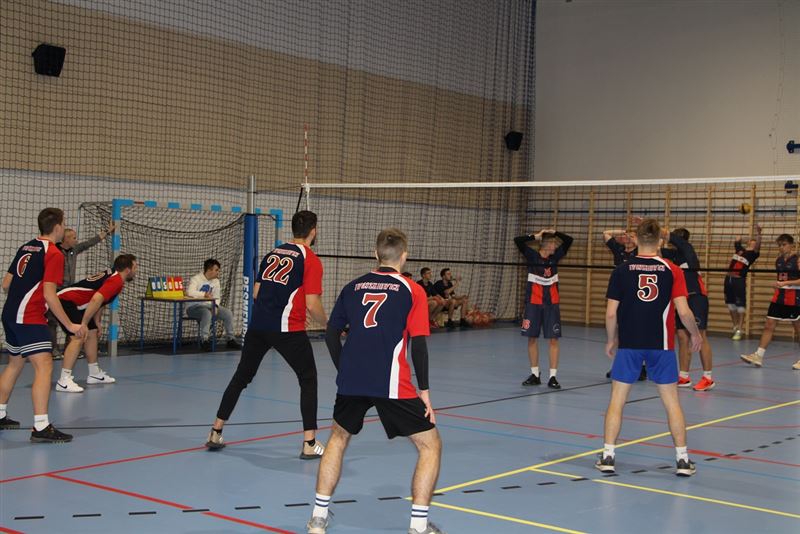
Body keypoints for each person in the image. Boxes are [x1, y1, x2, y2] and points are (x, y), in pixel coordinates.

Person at [307, 228, 443, 534]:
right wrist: (424, 392)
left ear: (375, 253)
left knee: (338, 439)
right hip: (391, 382)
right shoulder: (413, 290)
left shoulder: (352, 287)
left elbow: (331, 334)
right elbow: (419, 345)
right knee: (430, 445)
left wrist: (343, 370)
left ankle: (318, 518)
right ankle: (419, 525)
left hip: (352, 379)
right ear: (404, 256)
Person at [205, 210, 328, 458]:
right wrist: (329, 324)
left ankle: (215, 431)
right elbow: (313, 304)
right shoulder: (311, 260)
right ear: (313, 231)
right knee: (308, 379)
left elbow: (256, 292)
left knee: (241, 377)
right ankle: (309, 443)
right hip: (287, 329)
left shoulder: (273, 253)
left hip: (258, 326)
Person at [598, 218, 701, 477]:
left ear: (635, 238)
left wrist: (611, 340)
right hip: (661, 344)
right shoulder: (672, 269)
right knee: (672, 402)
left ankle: (608, 456)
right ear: (660, 241)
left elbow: (610, 313)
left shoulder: (622, 270)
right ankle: (682, 460)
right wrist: (695, 334)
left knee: (617, 400)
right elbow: (684, 311)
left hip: (630, 344)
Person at [0, 208, 86, 443]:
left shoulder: (27, 247)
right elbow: (50, 294)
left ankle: (0, 414)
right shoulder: (54, 253)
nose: (64, 228)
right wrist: (70, 325)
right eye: (64, 224)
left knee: (15, 363)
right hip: (29, 316)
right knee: (44, 365)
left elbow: (6, 284)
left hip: (10, 314)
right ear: (57, 227)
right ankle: (41, 426)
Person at [54, 254, 138, 393]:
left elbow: (101, 300)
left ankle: (94, 373)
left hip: (76, 304)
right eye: (135, 267)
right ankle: (64, 380)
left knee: (92, 332)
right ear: (127, 270)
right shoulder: (116, 280)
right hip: (65, 300)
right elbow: (96, 299)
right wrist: (84, 323)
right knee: (79, 336)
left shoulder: (114, 277)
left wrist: (97, 321)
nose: (136, 270)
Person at [47, 222, 116, 358]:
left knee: (73, 320)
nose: (76, 240)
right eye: (73, 238)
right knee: (52, 320)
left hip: (69, 290)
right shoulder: (54, 250)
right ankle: (53, 350)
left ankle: (70, 348)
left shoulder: (74, 250)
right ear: (66, 239)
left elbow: (89, 243)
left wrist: (107, 232)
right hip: (55, 290)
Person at [515, 228, 573, 389]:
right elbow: (518, 241)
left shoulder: (555, 257)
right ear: (546, 244)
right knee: (532, 338)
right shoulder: (532, 256)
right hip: (533, 303)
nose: (555, 246)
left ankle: (553, 377)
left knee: (553, 340)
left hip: (551, 305)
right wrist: (536, 236)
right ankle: (535, 374)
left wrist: (556, 232)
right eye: (553, 242)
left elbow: (569, 240)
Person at [741, 233, 800, 370]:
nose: (781, 247)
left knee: (798, 328)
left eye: (784, 245)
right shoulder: (778, 260)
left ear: (791, 245)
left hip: (795, 298)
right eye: (779, 245)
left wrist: (785, 283)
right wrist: (778, 284)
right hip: (779, 297)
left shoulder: (797, 259)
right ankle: (758, 355)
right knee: (769, 324)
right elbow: (781, 278)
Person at [668, 228, 715, 391]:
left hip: (696, 297)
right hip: (681, 299)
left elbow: (677, 241)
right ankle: (684, 376)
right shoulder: (673, 255)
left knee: (700, 335)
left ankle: (708, 378)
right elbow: (654, 250)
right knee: (682, 336)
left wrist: (659, 230)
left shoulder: (688, 250)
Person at [602, 227, 647, 382]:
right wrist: (620, 231)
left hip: (637, 296)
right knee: (620, 332)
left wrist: (636, 238)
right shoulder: (619, 250)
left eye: (631, 236)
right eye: (626, 236)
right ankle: (619, 365)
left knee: (638, 332)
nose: (628, 238)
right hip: (619, 295)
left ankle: (641, 367)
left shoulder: (641, 252)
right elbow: (605, 234)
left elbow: (655, 245)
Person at [185, 259, 242, 351]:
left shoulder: (216, 281)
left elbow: (217, 297)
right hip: (194, 307)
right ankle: (204, 340)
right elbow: (190, 292)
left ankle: (230, 339)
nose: (218, 272)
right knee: (206, 313)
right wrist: (204, 294)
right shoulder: (196, 279)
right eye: (216, 270)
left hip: (210, 306)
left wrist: (215, 306)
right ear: (209, 270)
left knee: (228, 313)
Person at [724, 224, 762, 340]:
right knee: (730, 304)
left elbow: (758, 245)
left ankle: (740, 329)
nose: (753, 242)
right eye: (751, 241)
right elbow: (737, 238)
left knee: (740, 305)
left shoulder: (753, 254)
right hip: (728, 279)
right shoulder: (740, 250)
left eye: (754, 242)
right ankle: (735, 326)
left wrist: (758, 234)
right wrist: (749, 238)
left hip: (739, 280)